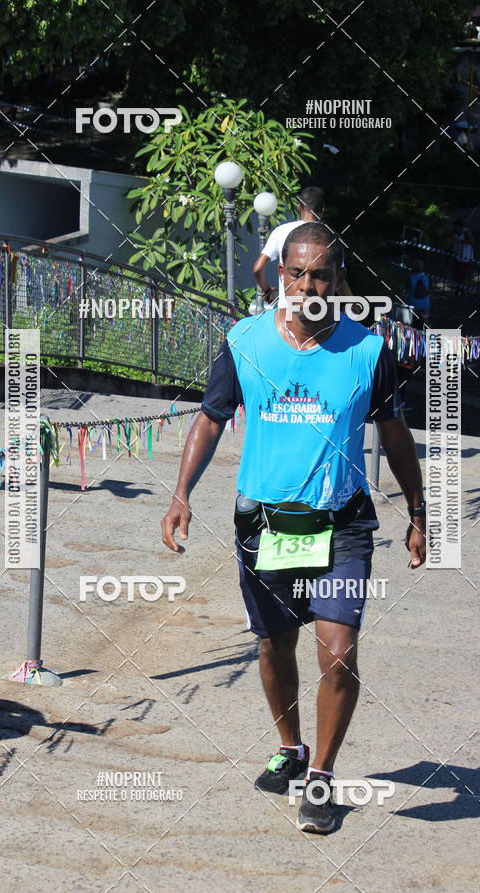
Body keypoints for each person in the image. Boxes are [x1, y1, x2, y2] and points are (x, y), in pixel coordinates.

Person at [161, 222, 426, 835]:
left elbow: (394, 435)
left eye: (321, 275)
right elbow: (210, 418)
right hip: (265, 524)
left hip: (343, 524)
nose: (308, 285)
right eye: (297, 273)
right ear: (281, 274)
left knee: (339, 653)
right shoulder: (245, 341)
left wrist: (418, 512)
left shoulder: (367, 352)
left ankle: (321, 778)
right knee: (274, 646)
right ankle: (292, 747)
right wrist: (181, 495)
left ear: (339, 280)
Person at [253, 186, 351, 308]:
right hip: (318, 313)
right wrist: (352, 303)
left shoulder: (280, 231)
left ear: (299, 207)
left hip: (286, 312)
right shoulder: (329, 237)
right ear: (322, 209)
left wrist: (267, 292)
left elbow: (257, 268)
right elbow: (339, 280)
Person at [452, 219, 474, 298]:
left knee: (462, 276)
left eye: (457, 228)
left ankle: (463, 292)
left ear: (461, 227)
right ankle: (457, 290)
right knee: (456, 275)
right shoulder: (455, 232)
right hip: (457, 256)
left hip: (465, 258)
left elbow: (471, 241)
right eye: (455, 228)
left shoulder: (466, 232)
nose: (456, 230)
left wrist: (460, 241)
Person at [404, 258, 430, 324]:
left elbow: (407, 292)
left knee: (411, 324)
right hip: (425, 304)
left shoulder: (410, 278)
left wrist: (404, 303)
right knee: (425, 323)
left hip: (412, 304)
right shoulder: (426, 278)